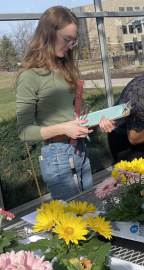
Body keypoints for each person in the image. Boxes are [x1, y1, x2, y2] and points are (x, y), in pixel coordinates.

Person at [15, 6, 113, 201]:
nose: (70, 46)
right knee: (72, 218)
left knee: (89, 209)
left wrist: (100, 119)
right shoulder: (30, 76)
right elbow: (24, 131)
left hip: (79, 150)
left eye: (73, 41)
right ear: (48, 33)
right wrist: (64, 128)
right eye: (67, 39)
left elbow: (80, 110)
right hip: (57, 155)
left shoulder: (65, 70)